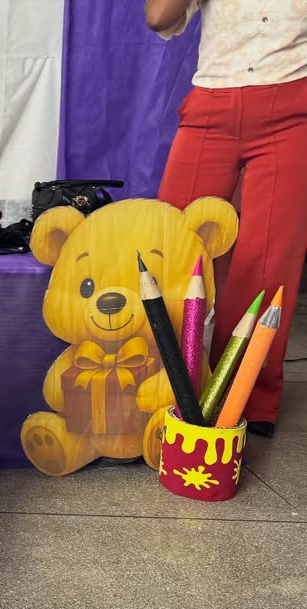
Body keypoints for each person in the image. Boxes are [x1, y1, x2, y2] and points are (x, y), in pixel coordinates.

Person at [145, 0, 307, 436]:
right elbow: (158, 17)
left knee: (267, 260)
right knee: (171, 245)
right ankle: (150, 381)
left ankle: (244, 398)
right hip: (212, 102)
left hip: (294, 105)